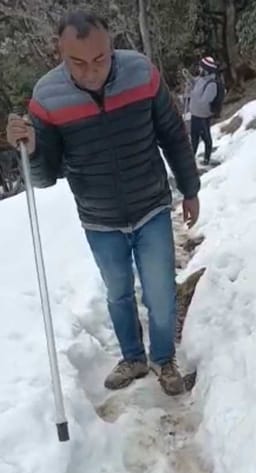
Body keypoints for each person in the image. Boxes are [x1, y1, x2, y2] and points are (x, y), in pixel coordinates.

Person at [6, 10, 200, 396]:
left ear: (112, 46)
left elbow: (172, 134)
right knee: (118, 293)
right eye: (77, 63)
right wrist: (30, 147)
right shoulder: (47, 97)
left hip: (151, 205)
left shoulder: (141, 73)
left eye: (100, 59)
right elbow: (46, 176)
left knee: (161, 292)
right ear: (59, 53)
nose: (91, 71)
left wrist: (190, 188)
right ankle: (133, 357)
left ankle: (164, 359)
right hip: (99, 217)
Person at [188, 56, 219, 166]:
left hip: (203, 116)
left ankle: (207, 159)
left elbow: (205, 101)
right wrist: (189, 79)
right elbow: (195, 83)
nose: (199, 69)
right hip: (195, 114)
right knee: (194, 138)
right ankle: (191, 160)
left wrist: (191, 95)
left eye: (201, 67)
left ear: (206, 70)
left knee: (206, 138)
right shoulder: (201, 79)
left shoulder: (212, 84)